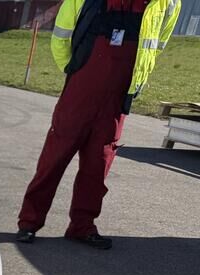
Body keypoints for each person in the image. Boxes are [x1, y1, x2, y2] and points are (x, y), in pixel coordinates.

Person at [16, 0, 180, 249]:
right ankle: (29, 222)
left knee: (98, 164)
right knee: (54, 158)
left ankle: (82, 226)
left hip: (117, 95)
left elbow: (157, 44)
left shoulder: (169, 2)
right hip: (81, 87)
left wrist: (138, 79)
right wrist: (71, 68)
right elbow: (62, 33)